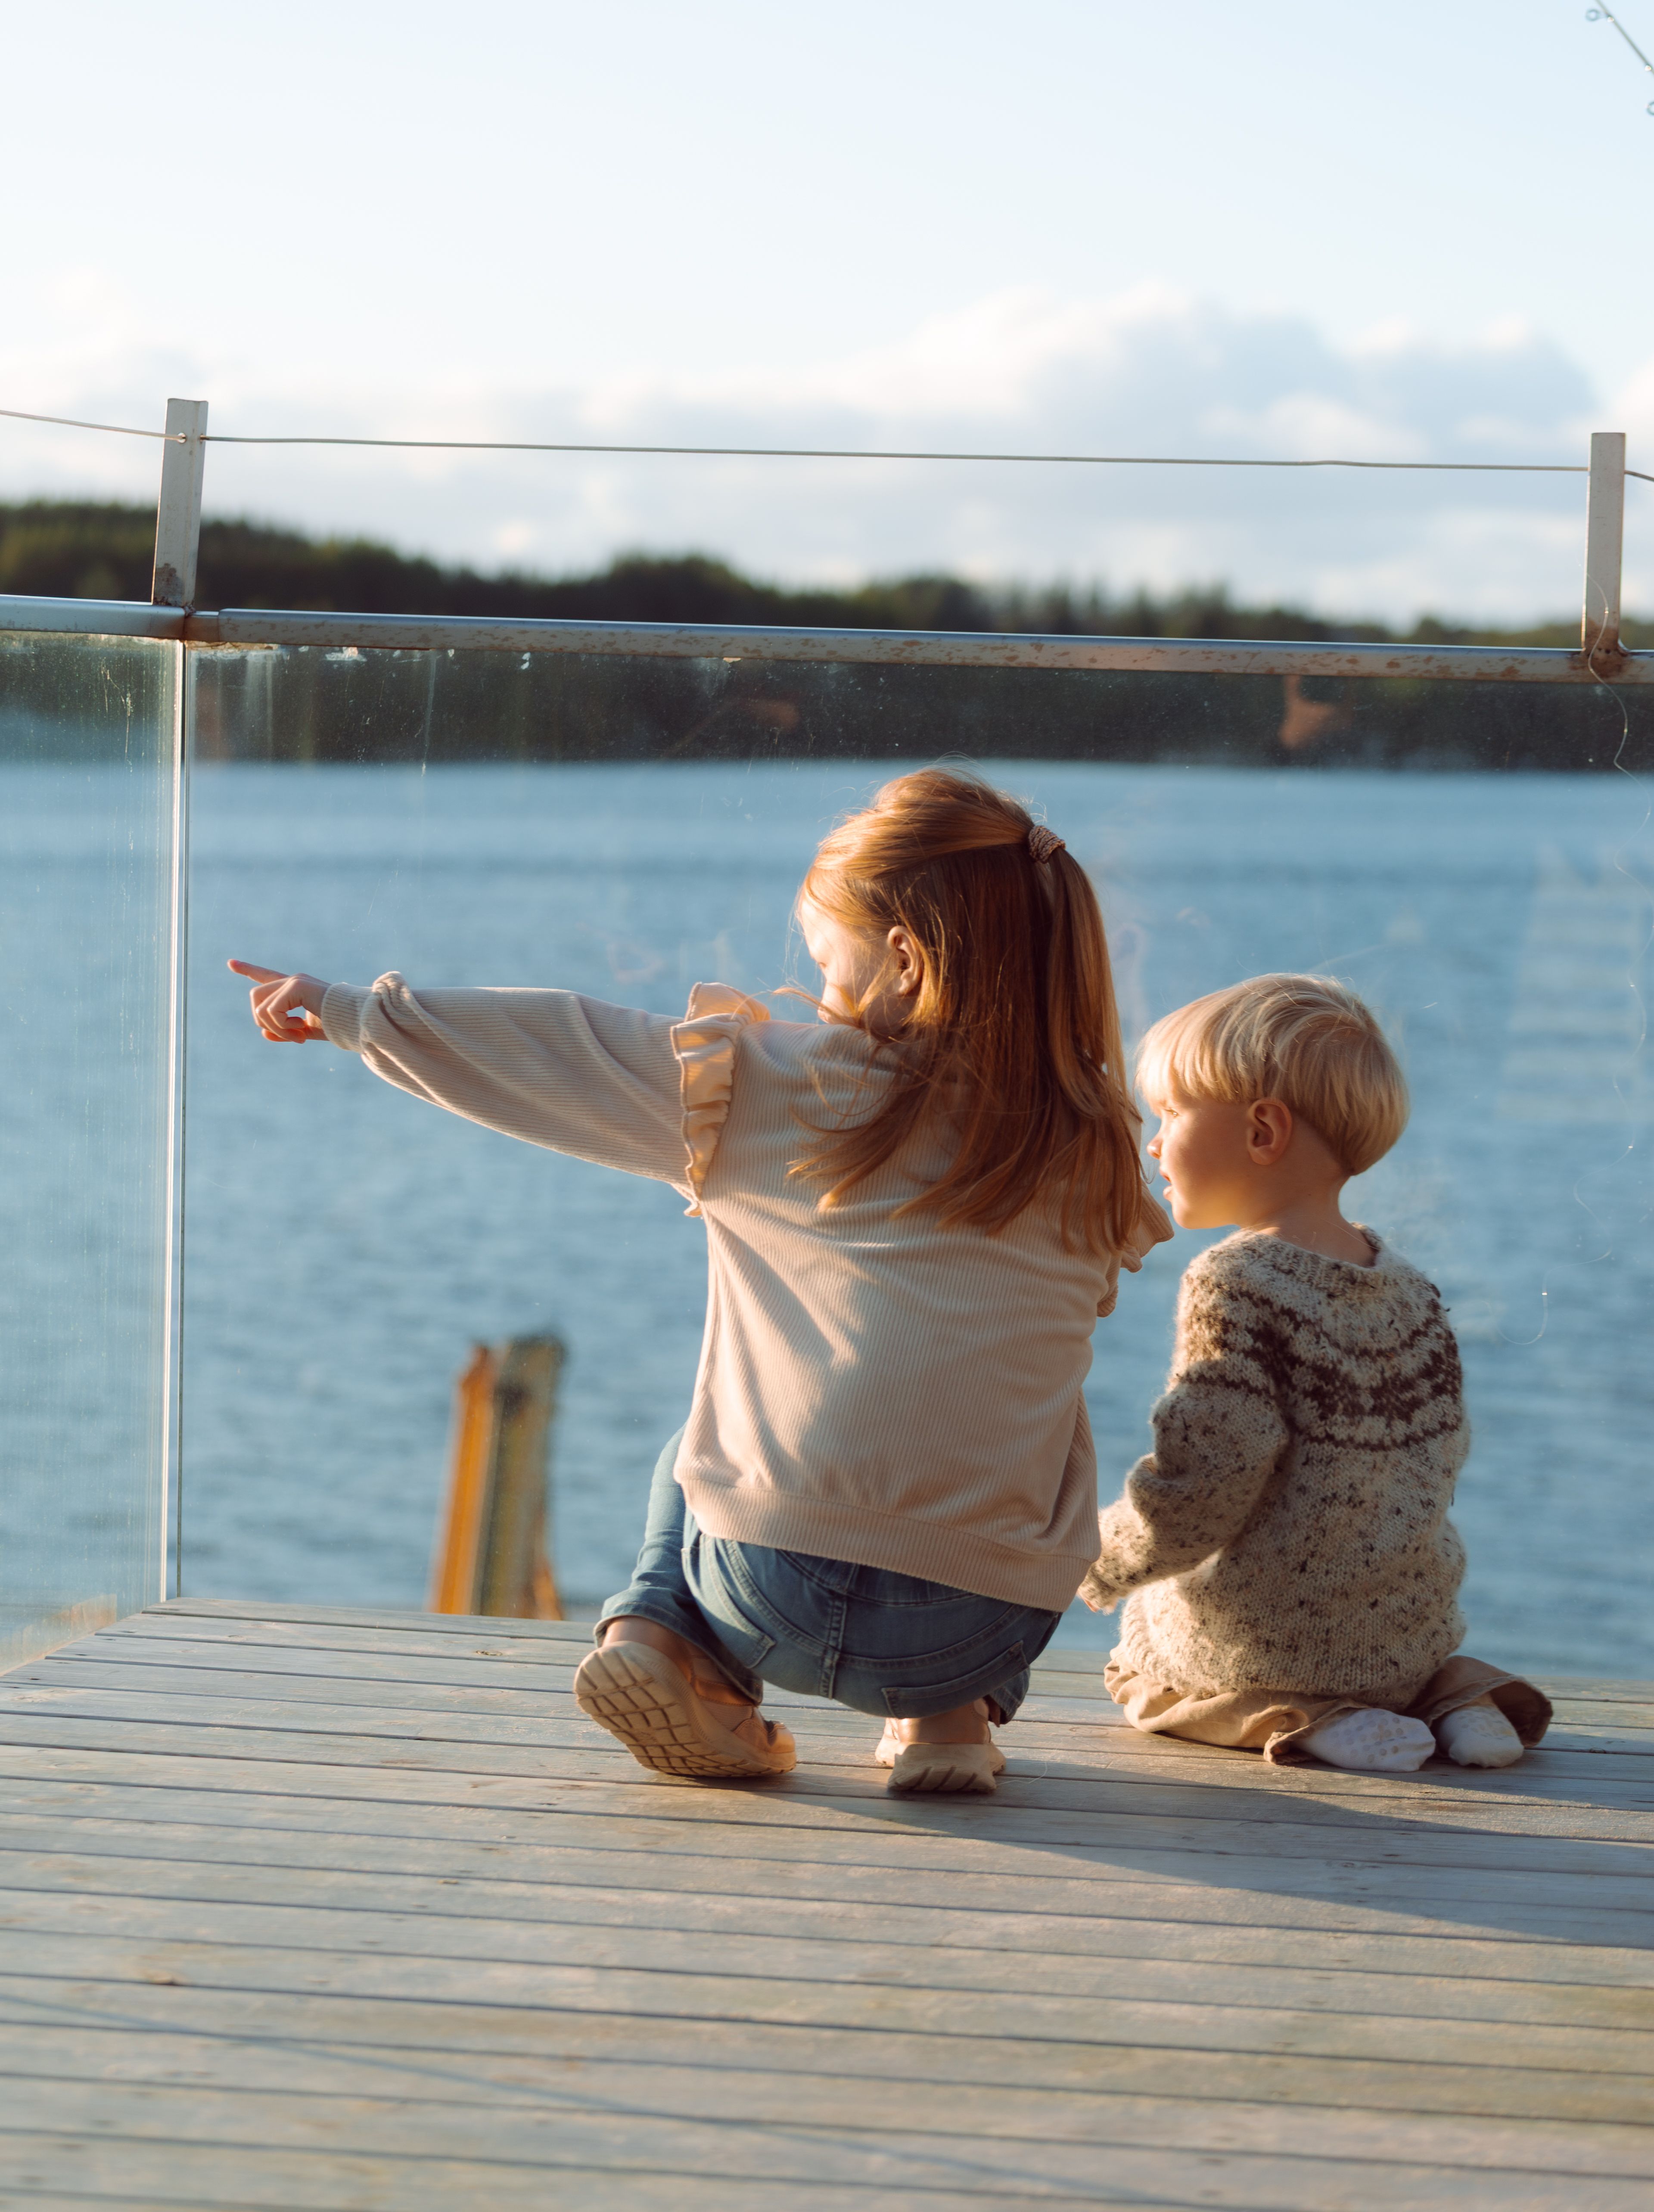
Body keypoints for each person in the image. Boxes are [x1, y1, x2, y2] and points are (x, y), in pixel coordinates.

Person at [232, 767, 1170, 1796]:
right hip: (974, 1631)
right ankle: (948, 1721)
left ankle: (662, 1640)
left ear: (905, 962)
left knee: (707, 1428)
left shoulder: (774, 1084)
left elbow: (564, 1049)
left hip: (767, 1595)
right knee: (1022, 1417)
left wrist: (355, 1014)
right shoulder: (1095, 1148)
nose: (823, 994)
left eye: (830, 963)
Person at [1083, 972, 1551, 1775]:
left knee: (1139, 1672)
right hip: (1400, 1634)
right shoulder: (1409, 1287)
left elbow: (1206, 1484)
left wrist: (1098, 1556)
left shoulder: (1233, 1283)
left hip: (1269, 1643)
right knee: (1409, 1661)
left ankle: (1311, 1721)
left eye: (1171, 1114)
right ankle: (1458, 1704)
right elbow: (1439, 1458)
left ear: (1264, 1130)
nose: (1154, 1144)